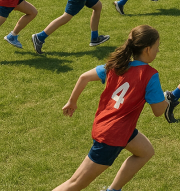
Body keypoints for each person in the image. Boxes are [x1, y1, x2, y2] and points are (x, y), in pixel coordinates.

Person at [53, 25, 167, 191]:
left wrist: (72, 101)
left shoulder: (117, 65)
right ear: (148, 49)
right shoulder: (149, 75)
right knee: (75, 183)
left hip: (115, 127)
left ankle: (113, 189)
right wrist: (166, 100)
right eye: (157, 48)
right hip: (112, 136)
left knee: (145, 152)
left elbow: (84, 77)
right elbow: (159, 111)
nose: (158, 51)